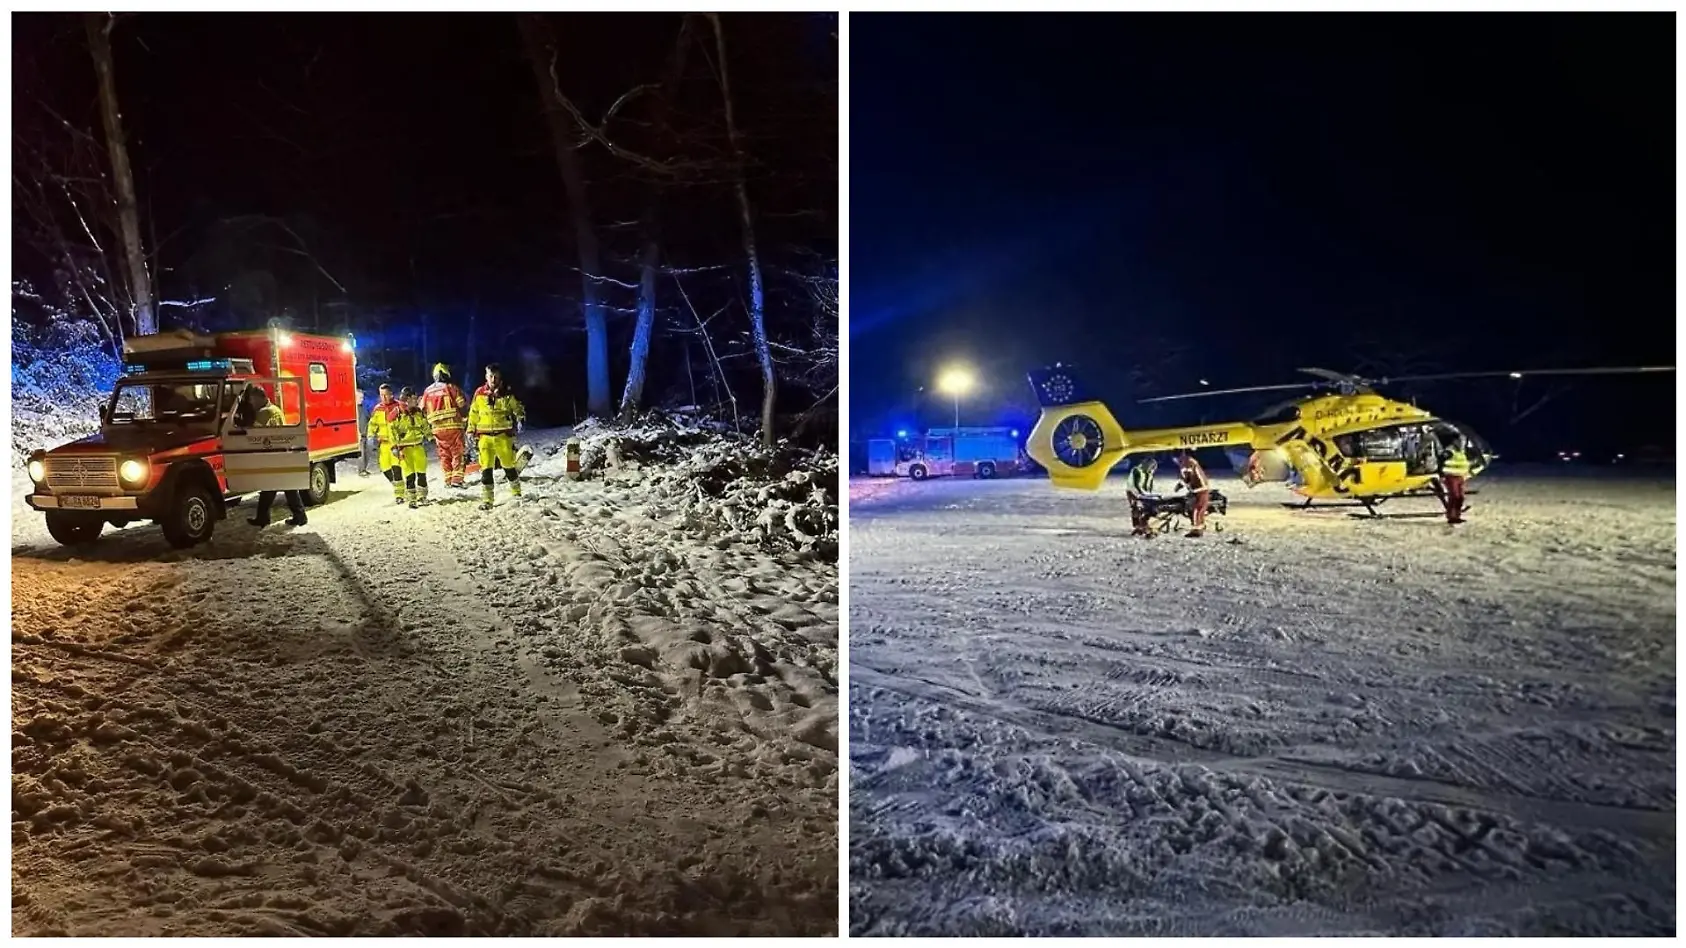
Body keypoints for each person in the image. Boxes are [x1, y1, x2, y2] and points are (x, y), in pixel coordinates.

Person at [243, 386, 308, 528]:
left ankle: (265, 518)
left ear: (259, 398)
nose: (251, 403)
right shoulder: (276, 409)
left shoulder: (264, 413)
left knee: (271, 486)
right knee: (282, 487)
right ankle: (299, 516)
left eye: (252, 400)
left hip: (273, 454)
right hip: (281, 453)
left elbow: (253, 432)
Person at [466, 363, 526, 511]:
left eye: (496, 377)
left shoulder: (507, 393)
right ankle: (487, 500)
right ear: (486, 377)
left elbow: (518, 408)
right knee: (486, 470)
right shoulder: (479, 393)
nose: (493, 379)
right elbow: (473, 413)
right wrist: (470, 430)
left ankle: (516, 493)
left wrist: (520, 419)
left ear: (500, 377)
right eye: (490, 376)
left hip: (503, 436)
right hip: (484, 437)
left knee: (509, 467)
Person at [421, 363, 470, 489]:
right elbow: (461, 405)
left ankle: (448, 479)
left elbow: (422, 409)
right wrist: (465, 418)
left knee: (444, 454)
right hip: (454, 426)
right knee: (457, 452)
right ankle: (457, 479)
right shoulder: (451, 387)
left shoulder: (427, 391)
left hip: (437, 429)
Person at [390, 387, 433, 508]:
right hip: (405, 449)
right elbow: (392, 431)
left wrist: (431, 437)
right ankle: (412, 499)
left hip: (418, 447)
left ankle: (422, 497)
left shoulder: (418, 412)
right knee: (410, 475)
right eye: (414, 398)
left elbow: (425, 426)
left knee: (422, 473)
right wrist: (394, 447)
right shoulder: (397, 414)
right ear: (407, 399)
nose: (416, 401)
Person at [366, 383, 405, 504]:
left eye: (385, 395)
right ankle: (399, 487)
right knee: (385, 468)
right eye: (381, 395)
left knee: (396, 469)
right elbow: (372, 424)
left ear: (391, 394)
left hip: (396, 444)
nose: (383, 397)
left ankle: (399, 495)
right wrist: (370, 436)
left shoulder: (399, 406)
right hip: (383, 445)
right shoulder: (378, 409)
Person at [1176, 449, 1212, 538]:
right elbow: (1187, 477)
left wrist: (1181, 485)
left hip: (1201, 489)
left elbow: (1188, 476)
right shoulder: (1187, 461)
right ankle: (1199, 528)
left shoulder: (1188, 462)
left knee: (1197, 510)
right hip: (1199, 489)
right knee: (1198, 509)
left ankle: (1197, 530)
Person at [1438, 436, 1472, 525]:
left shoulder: (1461, 452)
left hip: (1460, 477)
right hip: (1451, 476)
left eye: (1464, 441)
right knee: (1454, 496)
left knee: (1460, 497)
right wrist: (1441, 475)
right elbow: (1440, 461)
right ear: (1455, 441)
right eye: (1460, 441)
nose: (1462, 443)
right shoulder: (1449, 451)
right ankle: (1451, 516)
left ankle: (1457, 515)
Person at [1126, 454, 1157, 537]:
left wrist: (1150, 495)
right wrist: (1142, 494)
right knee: (1136, 509)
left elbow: (1149, 485)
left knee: (1145, 509)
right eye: (1151, 467)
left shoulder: (1148, 473)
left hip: (1143, 494)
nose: (1152, 469)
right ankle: (1139, 526)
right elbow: (1136, 485)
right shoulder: (1137, 470)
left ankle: (1141, 526)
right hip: (1133, 492)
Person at [354, 387, 371, 477]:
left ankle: (364, 468)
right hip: (359, 434)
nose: (362, 399)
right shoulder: (353, 409)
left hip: (366, 433)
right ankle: (361, 470)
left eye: (362, 398)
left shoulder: (363, 408)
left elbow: (368, 418)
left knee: (367, 452)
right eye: (360, 397)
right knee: (361, 453)